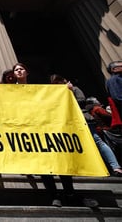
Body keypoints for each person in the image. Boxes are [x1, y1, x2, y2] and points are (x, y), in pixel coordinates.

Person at [12, 64, 98, 207]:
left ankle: (70, 193)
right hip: (28, 132)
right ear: (13, 74)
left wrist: (67, 92)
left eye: (21, 69)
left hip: (47, 129)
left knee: (60, 161)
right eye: (16, 70)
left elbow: (53, 102)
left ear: (27, 72)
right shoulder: (9, 90)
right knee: (44, 165)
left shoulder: (40, 90)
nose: (19, 71)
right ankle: (54, 195)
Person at [85, 97, 122, 176]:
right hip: (105, 130)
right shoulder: (97, 109)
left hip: (99, 130)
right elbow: (109, 116)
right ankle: (115, 166)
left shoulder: (90, 110)